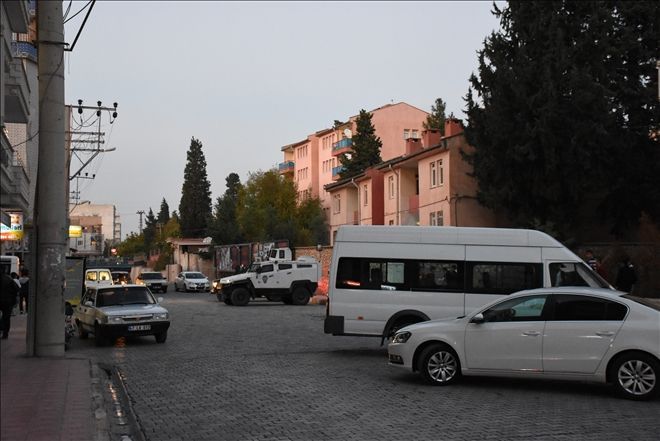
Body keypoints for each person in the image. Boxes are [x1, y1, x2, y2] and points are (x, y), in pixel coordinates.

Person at [1, 272, 19, 339]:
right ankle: (5, 333)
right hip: (8, 301)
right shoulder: (9, 279)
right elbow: (16, 289)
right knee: (6, 317)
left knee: (4, 317)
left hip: (5, 300)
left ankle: (3, 330)